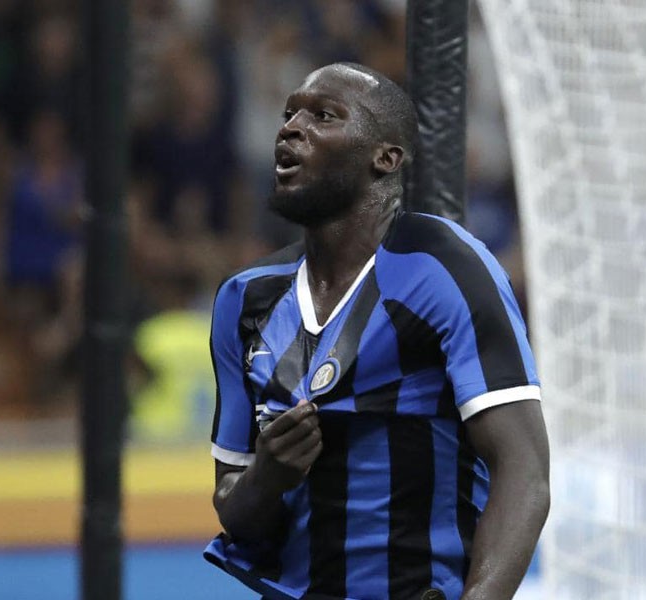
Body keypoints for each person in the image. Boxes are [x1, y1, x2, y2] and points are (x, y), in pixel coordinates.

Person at [205, 62, 549, 600]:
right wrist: (268, 476)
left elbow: (524, 470)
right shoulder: (244, 299)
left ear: (385, 157)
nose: (291, 128)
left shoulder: (445, 268)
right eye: (289, 113)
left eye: (323, 116)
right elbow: (234, 512)